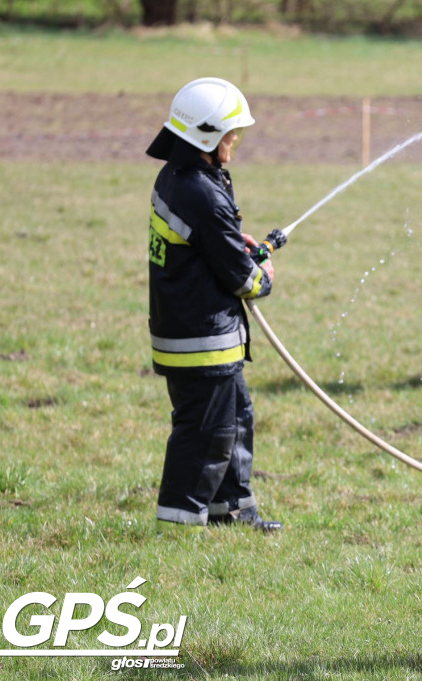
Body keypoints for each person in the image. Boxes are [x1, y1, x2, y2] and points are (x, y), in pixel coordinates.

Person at [146, 77, 282, 532]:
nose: (236, 140)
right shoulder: (201, 192)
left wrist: (231, 243)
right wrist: (261, 278)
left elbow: (206, 245)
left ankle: (233, 511)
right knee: (206, 432)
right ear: (205, 136)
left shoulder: (182, 177)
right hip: (200, 338)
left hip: (197, 332)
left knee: (235, 420)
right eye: (230, 133)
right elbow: (242, 278)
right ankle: (179, 521)